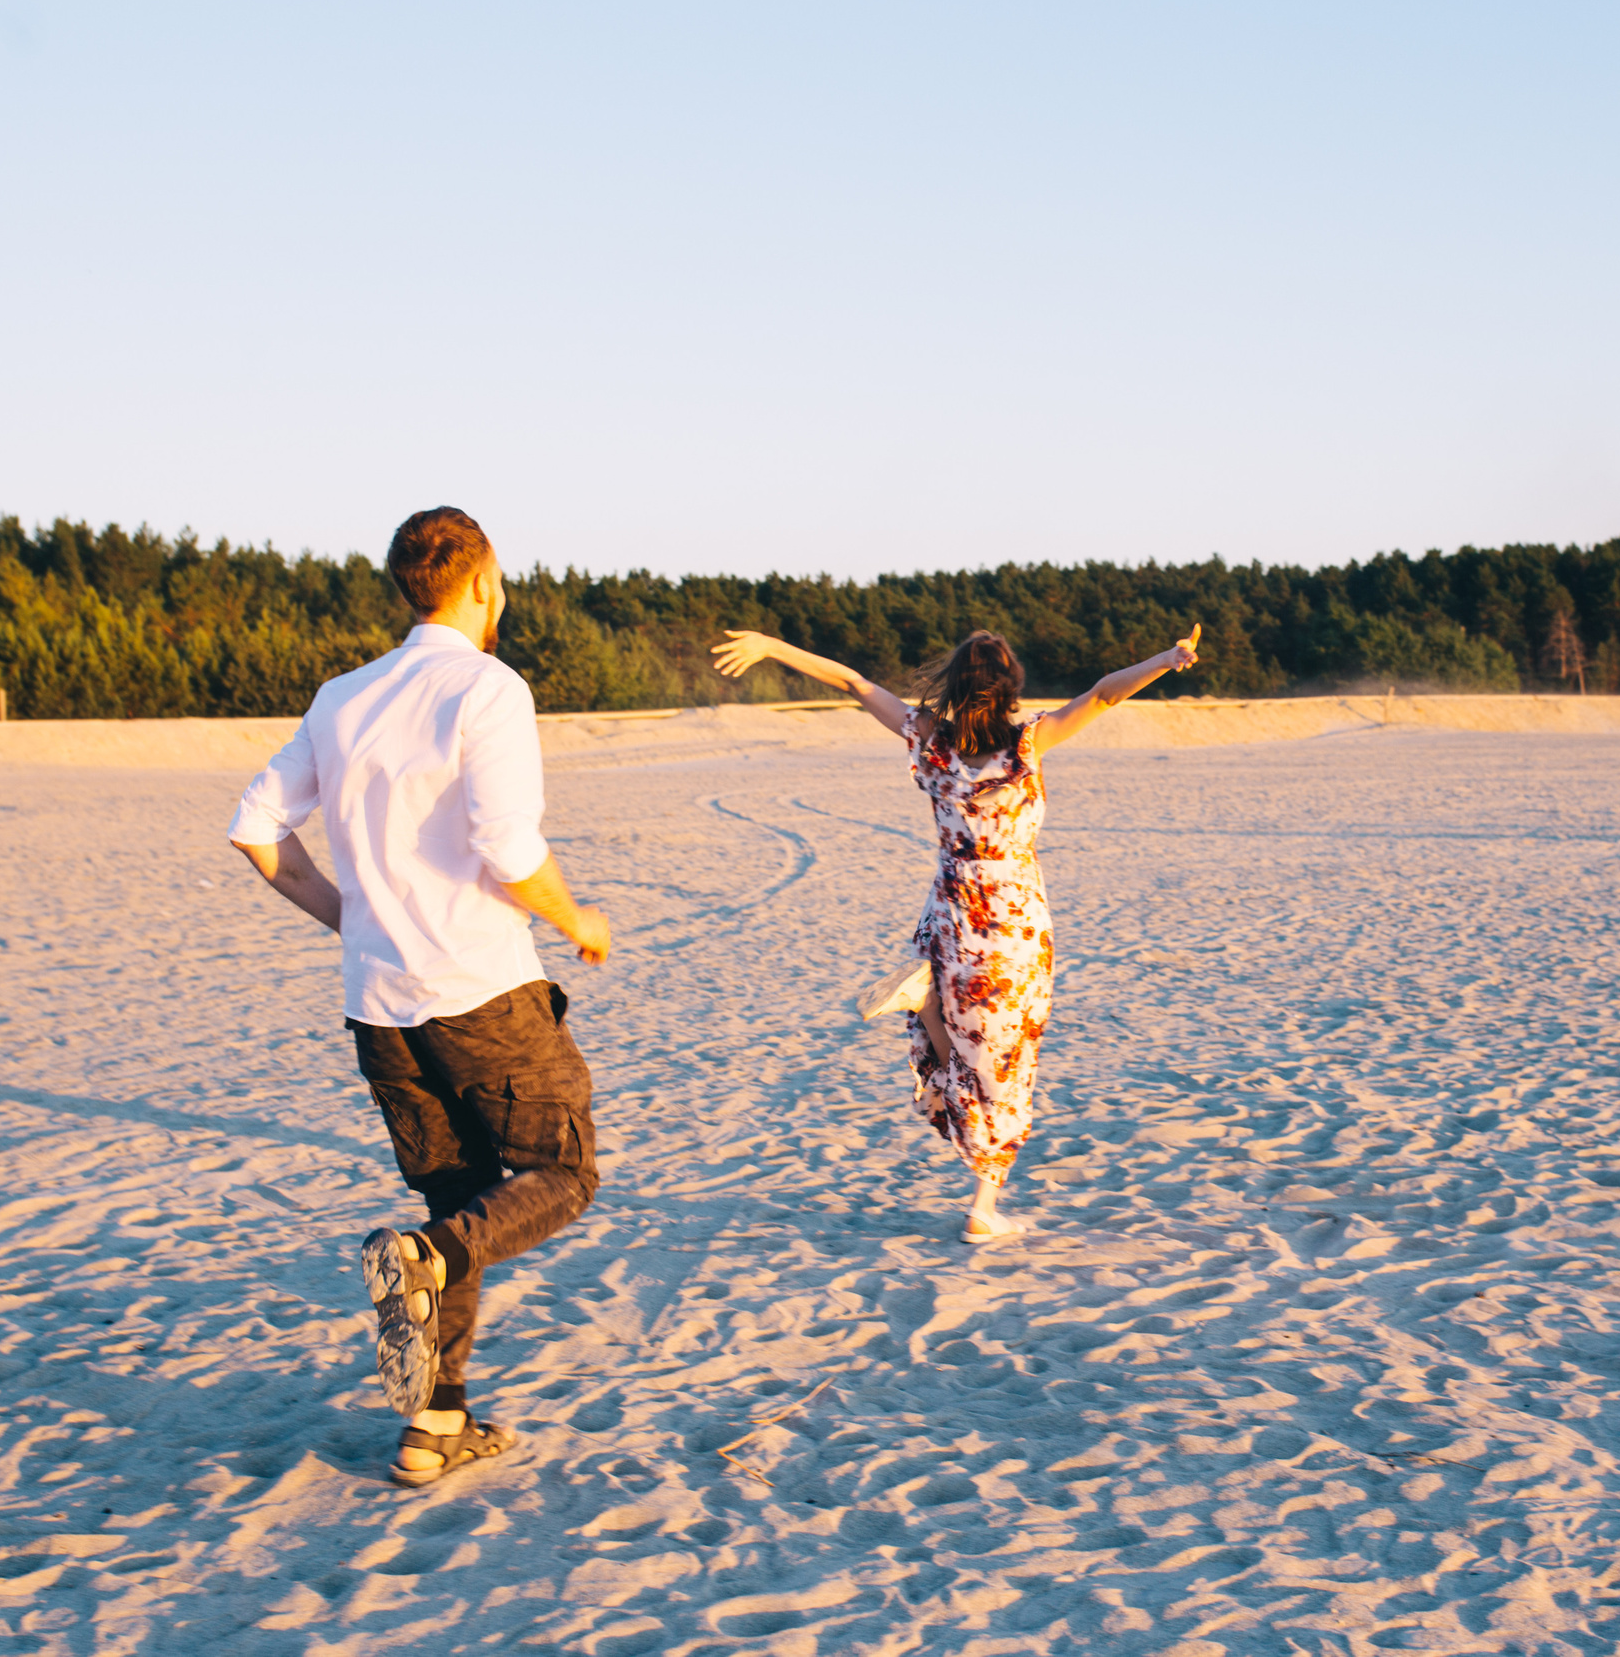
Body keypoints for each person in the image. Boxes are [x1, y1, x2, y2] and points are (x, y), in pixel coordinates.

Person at [228, 507, 612, 1487]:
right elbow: (509, 850)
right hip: (479, 988)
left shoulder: (343, 696)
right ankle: (429, 1261)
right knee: (558, 1174)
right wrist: (578, 921)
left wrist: (348, 918)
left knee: (456, 1194)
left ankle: (434, 1424)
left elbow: (255, 828)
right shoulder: (484, 686)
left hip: (380, 1006)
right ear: (482, 582)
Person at [709, 623, 1201, 1241]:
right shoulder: (1027, 743)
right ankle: (983, 1206)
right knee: (1007, 1057)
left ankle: (933, 1012)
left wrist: (772, 648)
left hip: (951, 908)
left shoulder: (931, 739)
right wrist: (1169, 656)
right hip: (1012, 918)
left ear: (957, 683)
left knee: (962, 1038)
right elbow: (1103, 694)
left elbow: (854, 682)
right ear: (1010, 685)